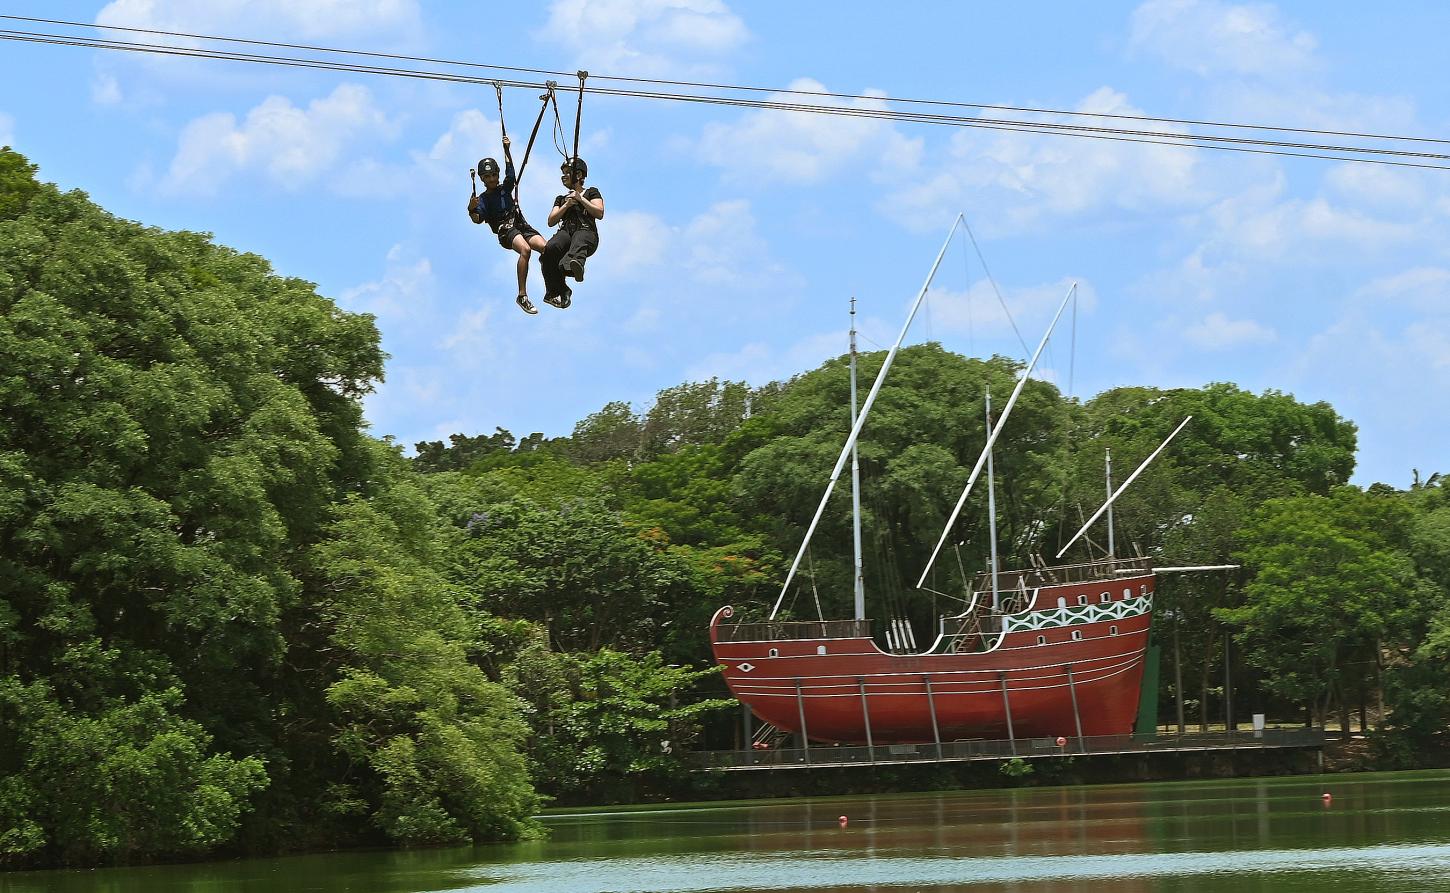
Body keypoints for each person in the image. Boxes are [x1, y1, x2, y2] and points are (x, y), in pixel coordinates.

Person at [468, 135, 548, 315]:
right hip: (506, 231)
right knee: (525, 250)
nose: (492, 179)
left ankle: (554, 288)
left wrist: (506, 149)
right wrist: (471, 209)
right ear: (481, 179)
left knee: (547, 248)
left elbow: (510, 173)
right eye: (487, 176)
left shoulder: (505, 189)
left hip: (521, 226)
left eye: (494, 174)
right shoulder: (483, 200)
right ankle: (522, 295)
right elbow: (477, 219)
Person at [540, 157, 604, 309]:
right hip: (567, 232)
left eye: (568, 172)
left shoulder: (591, 192)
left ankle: (574, 265)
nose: (564, 175)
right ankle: (558, 289)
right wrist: (567, 205)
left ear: (579, 175)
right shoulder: (561, 199)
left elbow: (599, 212)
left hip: (586, 231)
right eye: (563, 173)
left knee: (579, 239)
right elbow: (551, 221)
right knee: (550, 249)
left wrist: (580, 199)